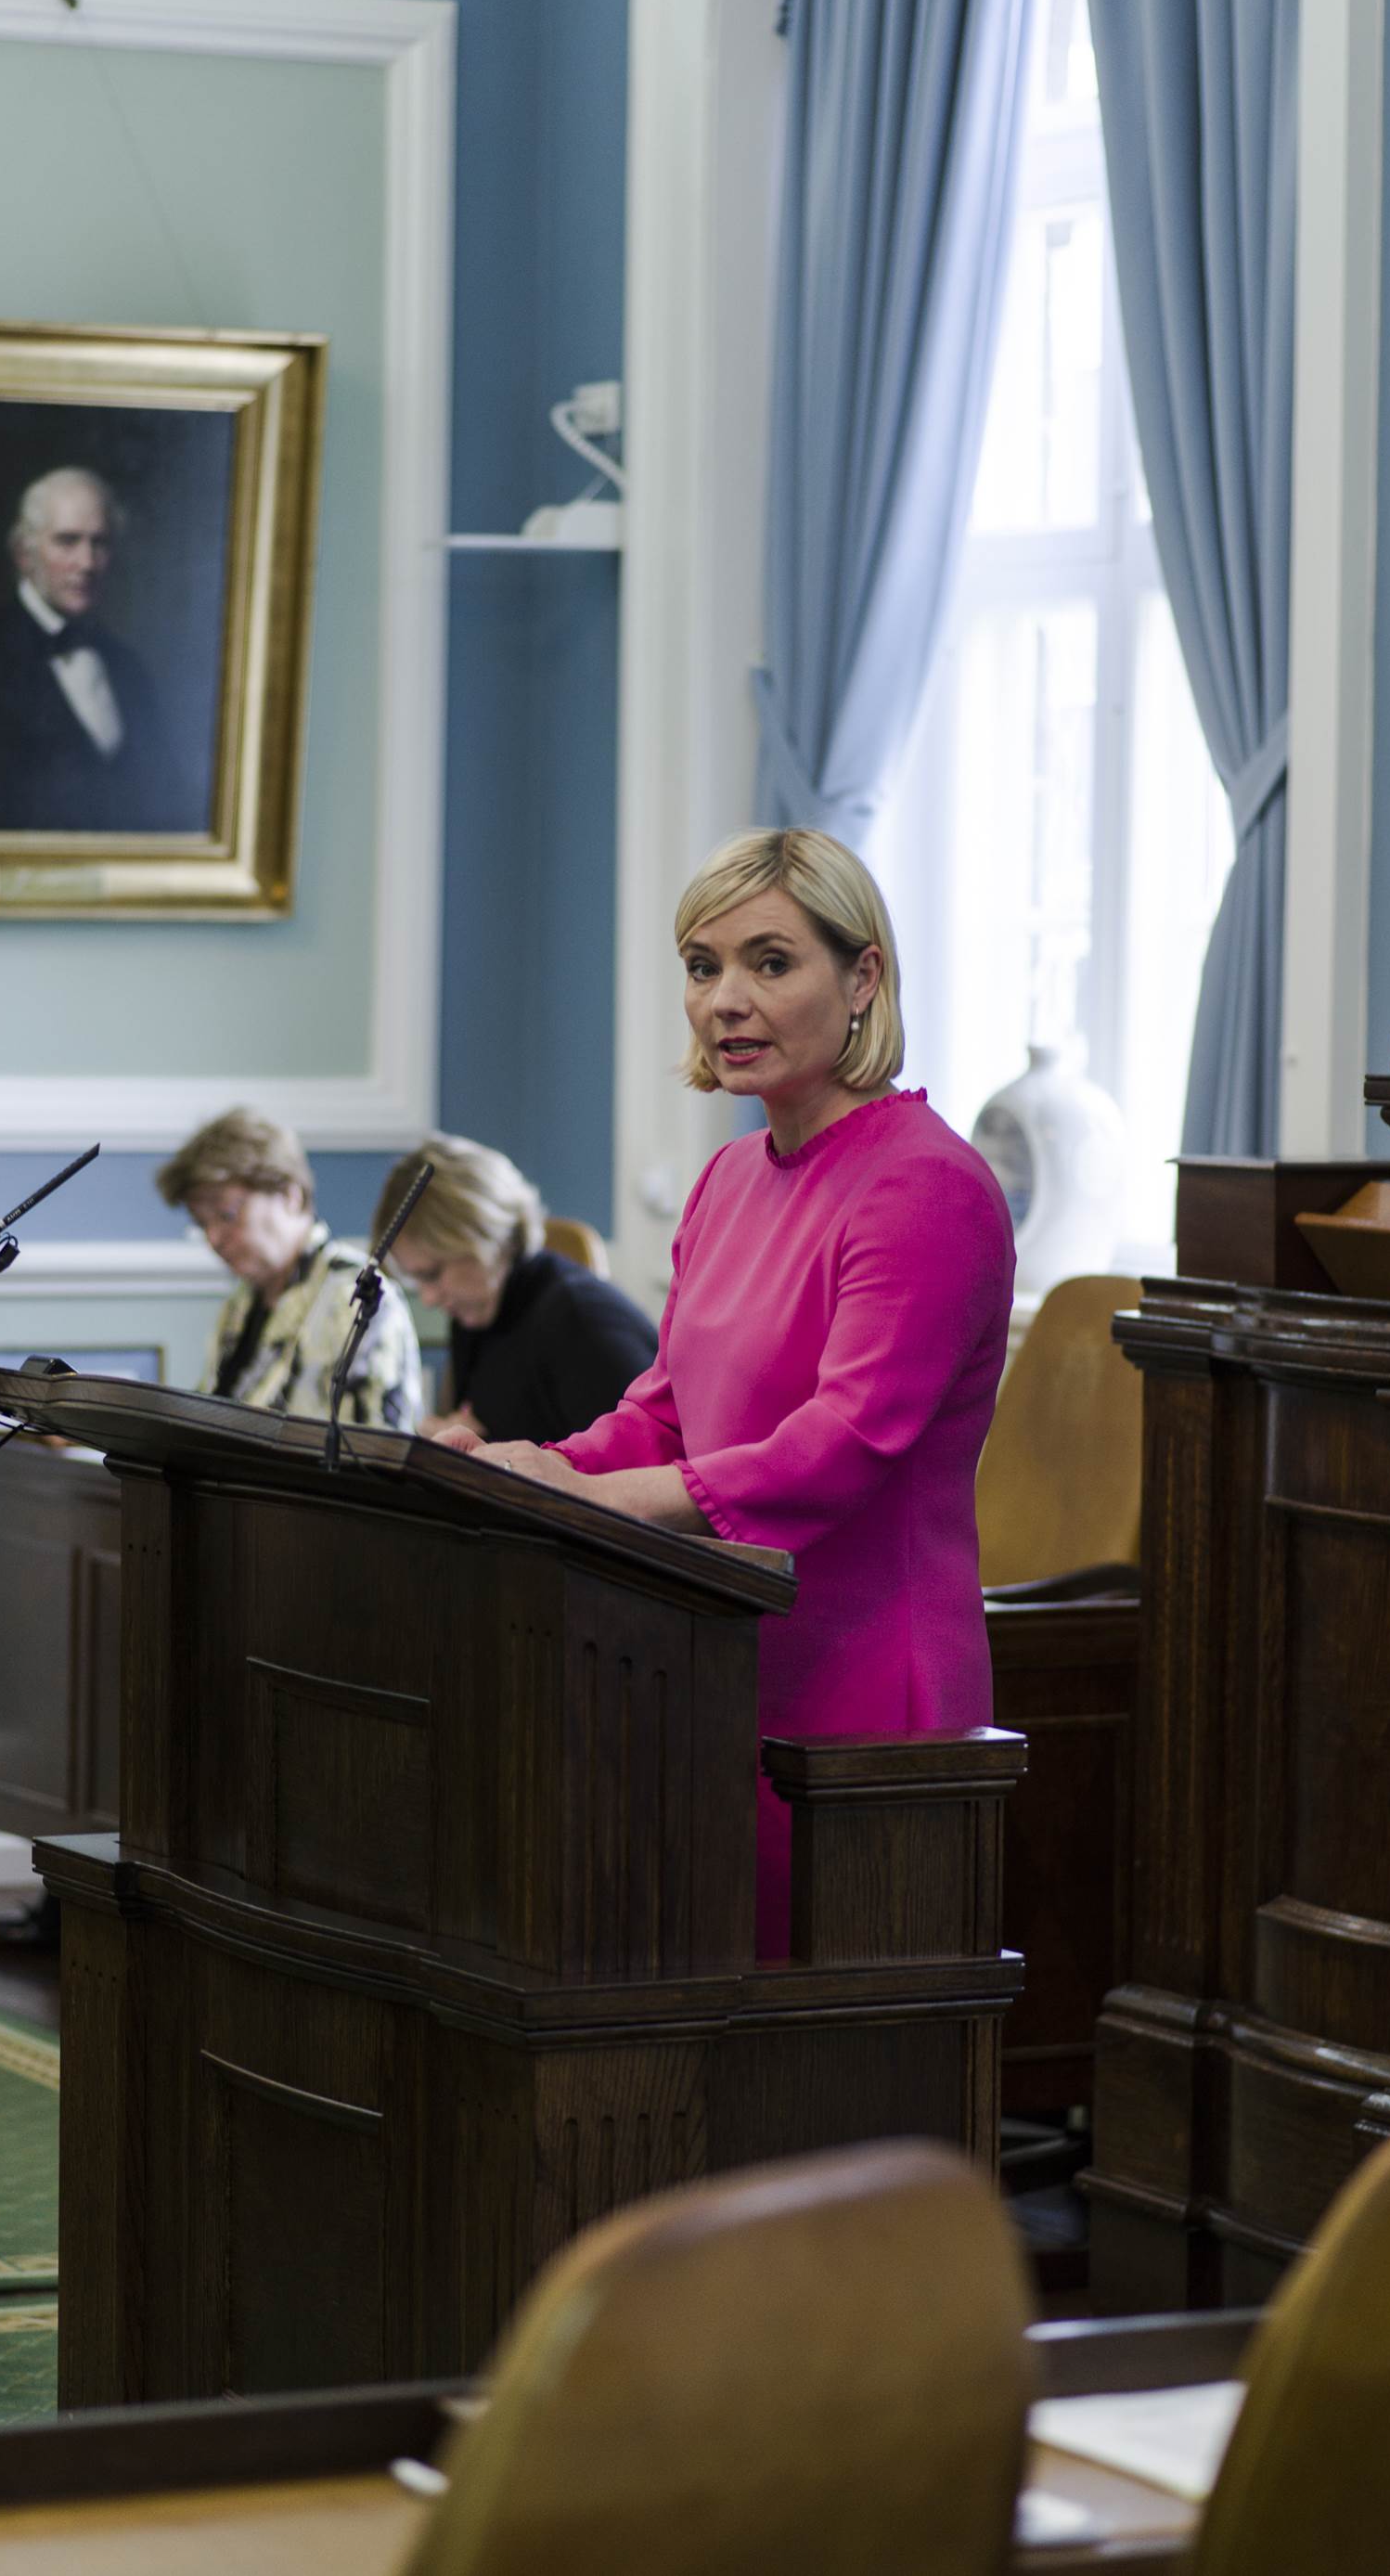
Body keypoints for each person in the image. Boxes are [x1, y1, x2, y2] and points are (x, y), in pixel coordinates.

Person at [448, 828, 1015, 1958]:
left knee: (834, 2062)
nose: (727, 1002)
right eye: (703, 968)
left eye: (770, 961)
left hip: (865, 1699)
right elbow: (663, 1404)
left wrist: (603, 1504)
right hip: (720, 1664)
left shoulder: (926, 1185)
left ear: (864, 978)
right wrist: (544, 1470)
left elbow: (844, 1442)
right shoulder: (730, 1175)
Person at [0, 465, 203, 836]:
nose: (87, 563)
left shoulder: (128, 668)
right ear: (24, 554)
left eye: (100, 543)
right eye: (67, 541)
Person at [375, 1135, 659, 1447]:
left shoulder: (580, 1320)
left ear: (484, 1236)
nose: (428, 1298)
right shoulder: (479, 1313)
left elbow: (640, 1464)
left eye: (433, 1274)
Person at [156, 1108, 422, 1428]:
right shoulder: (240, 1304)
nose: (213, 1238)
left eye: (226, 1214)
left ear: (290, 1195)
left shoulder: (358, 1297)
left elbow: (378, 1458)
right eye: (202, 1223)